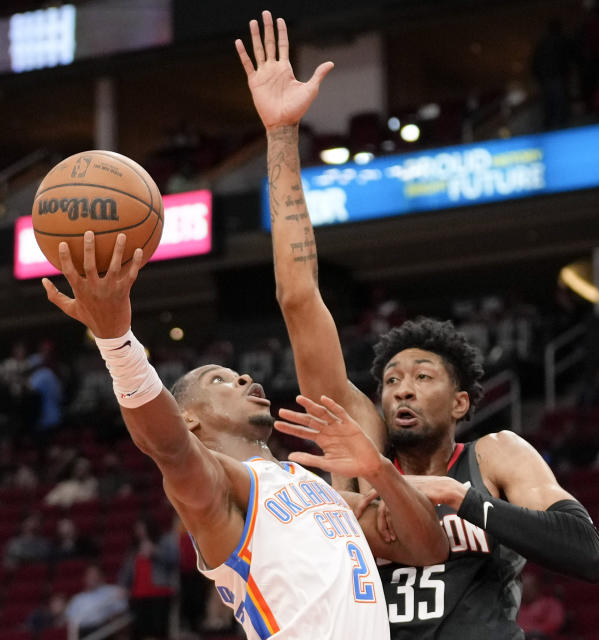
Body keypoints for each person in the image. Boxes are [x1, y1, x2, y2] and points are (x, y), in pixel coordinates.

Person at [240, 10, 599, 639]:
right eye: (392, 379)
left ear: (461, 400)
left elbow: (584, 553)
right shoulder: (361, 450)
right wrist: (281, 135)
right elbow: (299, 297)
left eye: (422, 376)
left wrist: (458, 497)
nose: (401, 388)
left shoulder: (495, 456)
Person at [41, 229, 449, 638]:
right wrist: (116, 342)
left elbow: (428, 549)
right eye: (218, 380)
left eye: (237, 374)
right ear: (188, 419)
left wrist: (379, 470)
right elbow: (168, 446)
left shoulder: (321, 491)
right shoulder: (222, 487)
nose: (243, 379)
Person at [65, 565, 128, 636]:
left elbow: (121, 610)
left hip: (106, 629)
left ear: (101, 576)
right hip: (83, 632)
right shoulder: (77, 599)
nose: (92, 577)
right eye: (89, 575)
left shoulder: (112, 591)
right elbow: (71, 622)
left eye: (95, 574)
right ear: (84, 578)